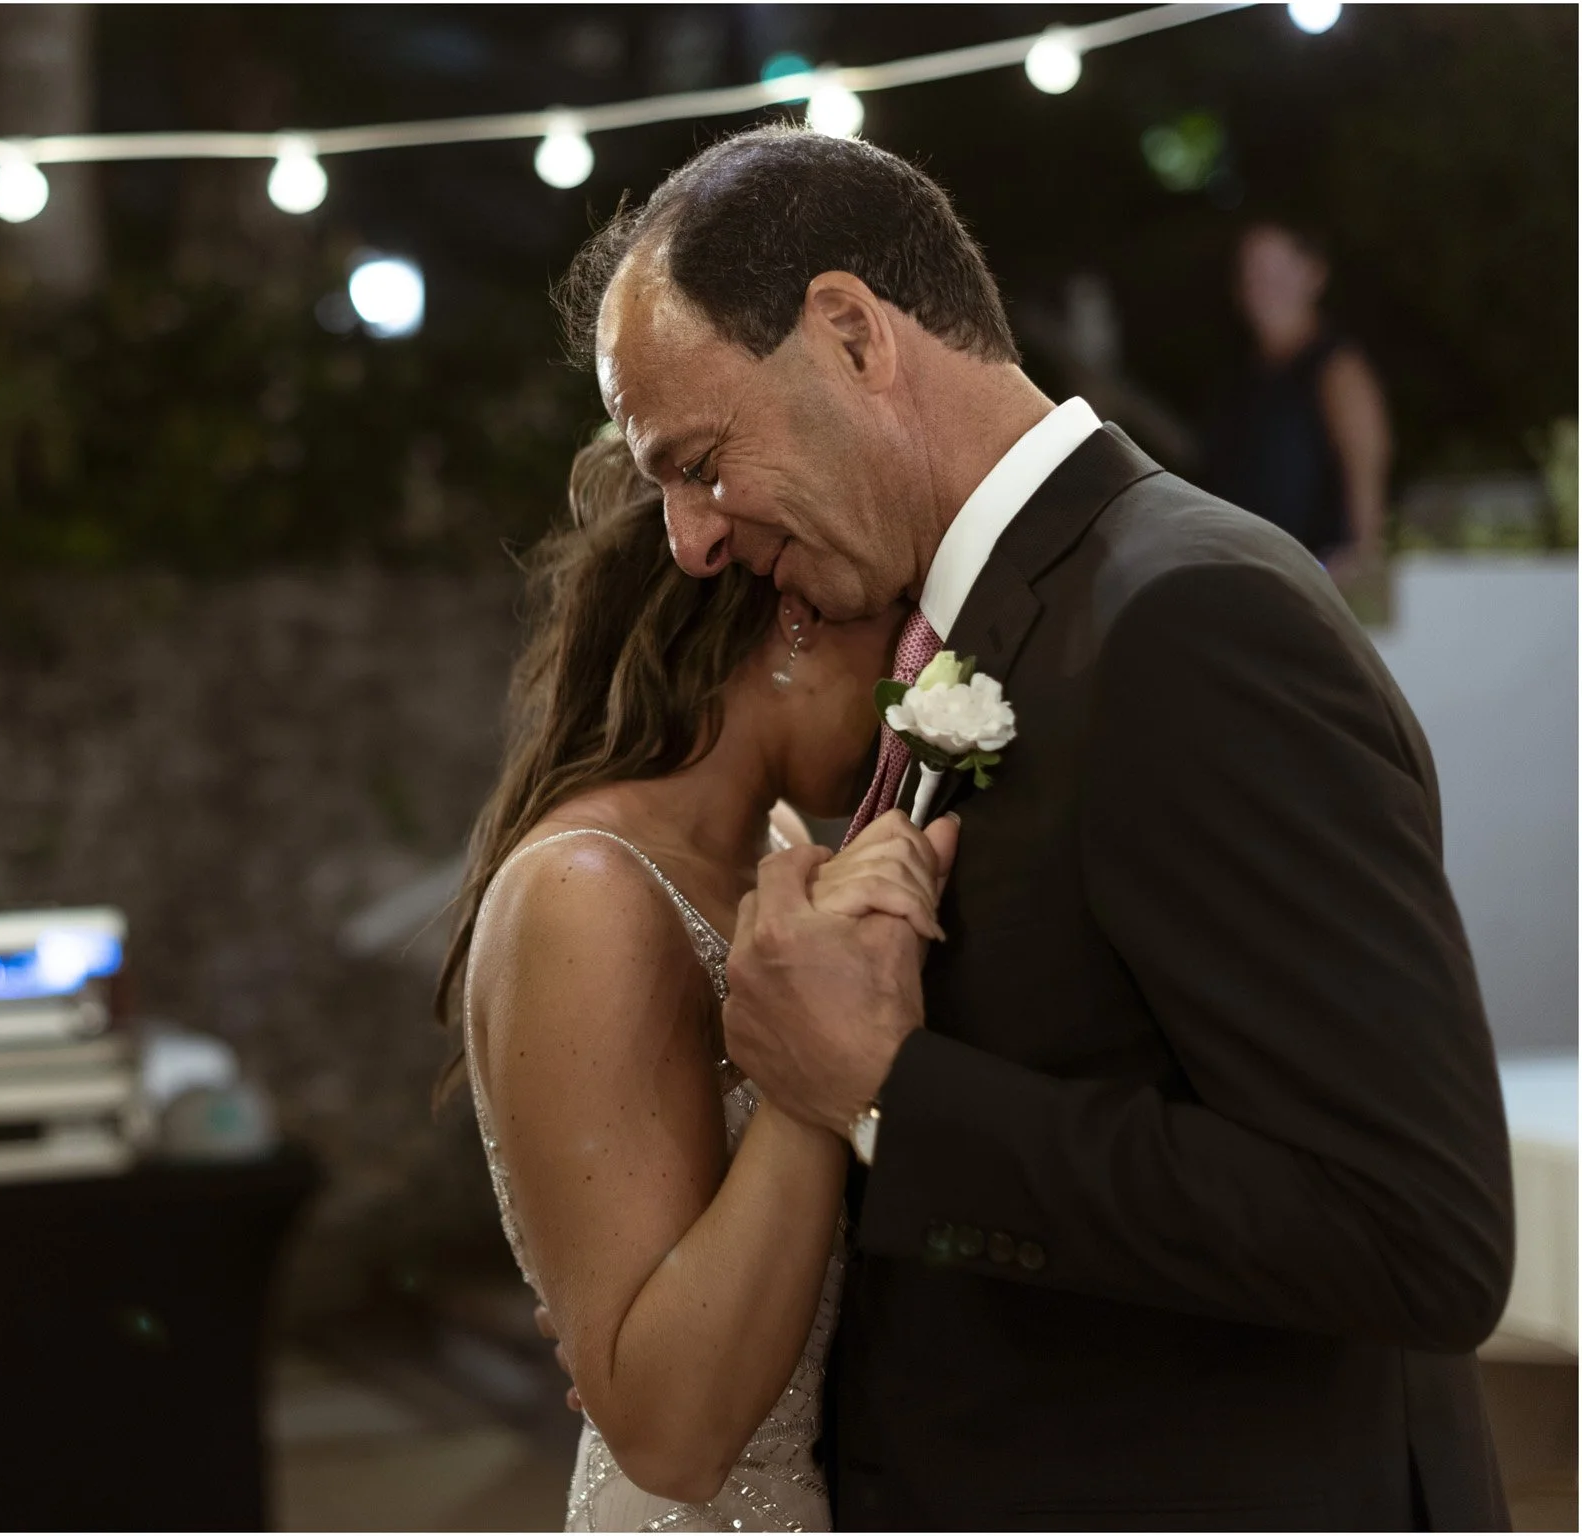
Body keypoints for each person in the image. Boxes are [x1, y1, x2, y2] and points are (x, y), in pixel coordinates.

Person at [554, 125, 1512, 1529]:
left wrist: (882, 1089)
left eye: (698, 462)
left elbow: (1410, 1231)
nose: (689, 541)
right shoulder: (1005, 617)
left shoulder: (1184, 619)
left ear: (850, 335)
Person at [437, 428, 919, 1530]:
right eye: (898, 626)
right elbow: (670, 1432)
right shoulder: (585, 890)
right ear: (796, 613)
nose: (910, 678)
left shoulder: (778, 842)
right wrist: (813, 1051)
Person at [1204, 221, 1393, 578]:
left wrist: (1362, 557)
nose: (1263, 285)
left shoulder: (1338, 369)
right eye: (1252, 271)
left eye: (1278, 271)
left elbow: (1367, 476)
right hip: (1245, 573)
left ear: (1315, 275)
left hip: (1313, 581)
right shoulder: (1244, 375)